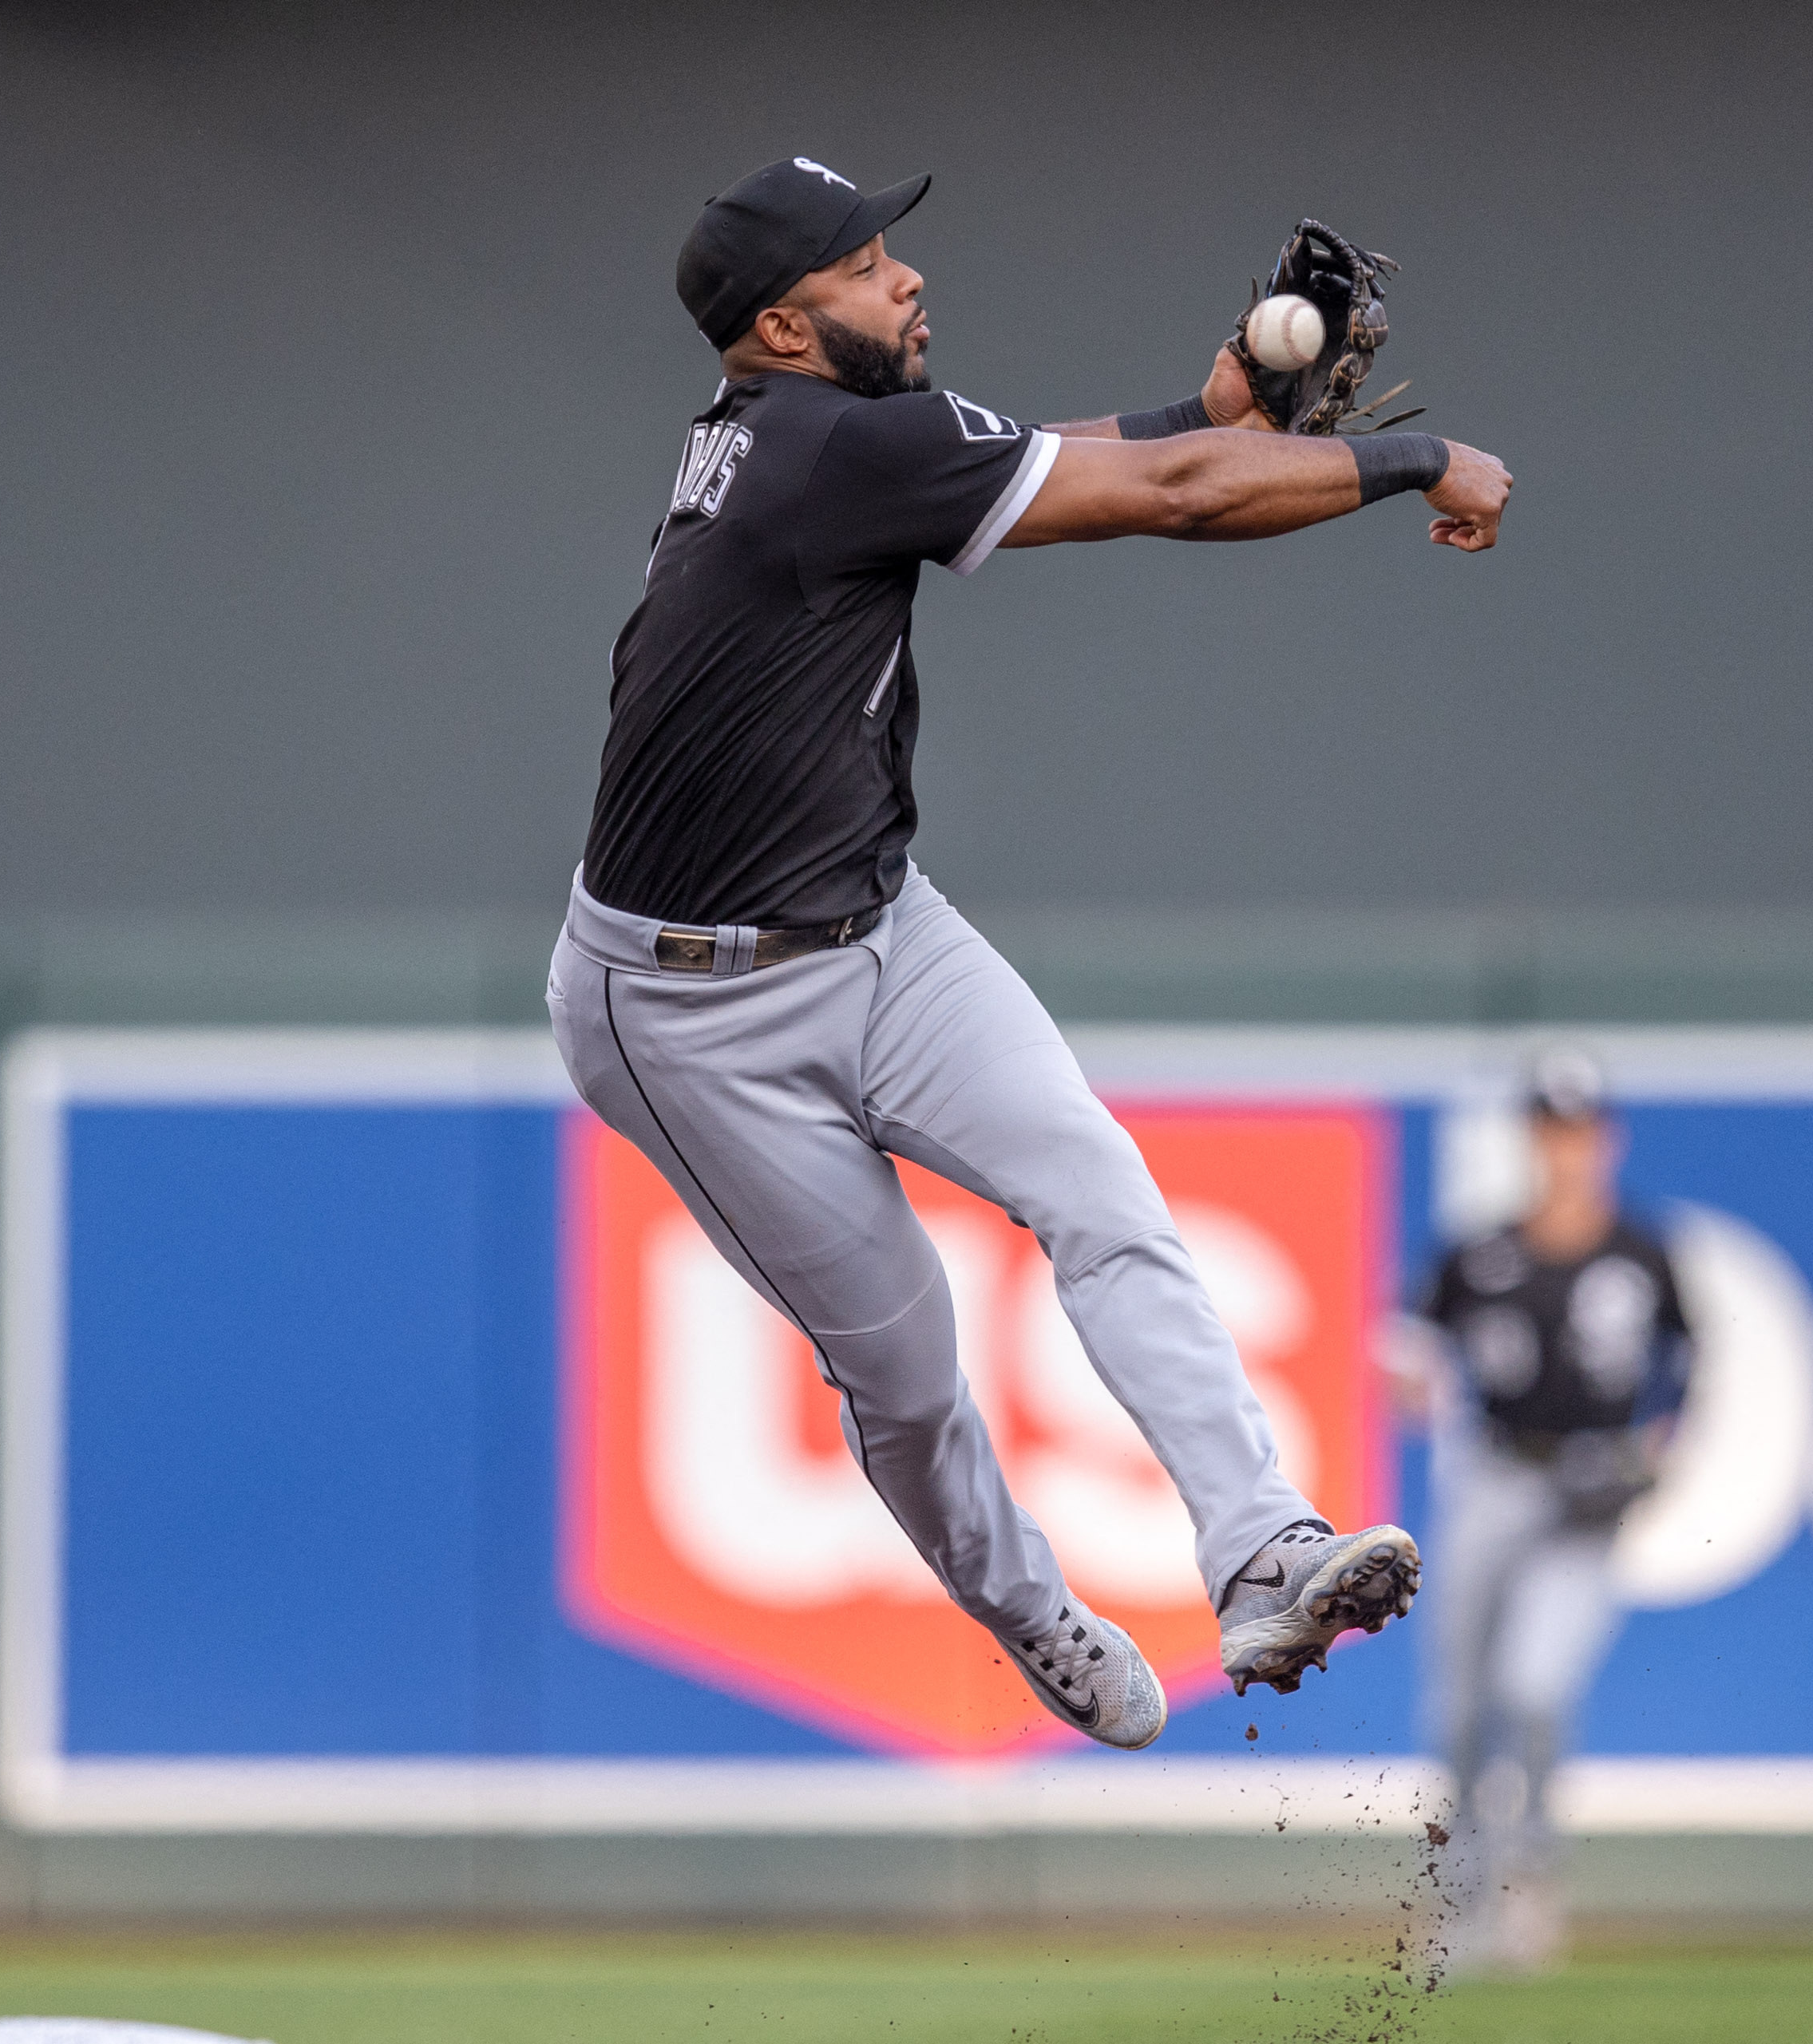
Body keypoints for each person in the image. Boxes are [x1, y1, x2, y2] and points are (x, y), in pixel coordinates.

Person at [548, 155, 1513, 1749]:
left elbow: (1091, 456)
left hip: (878, 921)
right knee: (910, 1366)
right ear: (787, 327)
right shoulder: (821, 450)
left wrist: (1215, 406)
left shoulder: (831, 439)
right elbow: (1183, 499)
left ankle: (1262, 1543)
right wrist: (1419, 460)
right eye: (865, 266)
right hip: (681, 1006)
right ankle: (1019, 1598)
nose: (906, 279)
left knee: (1101, 1185)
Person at [1405, 1049, 1692, 1972]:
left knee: (1532, 1687)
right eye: (1549, 1130)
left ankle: (1528, 1881)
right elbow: (1407, 1342)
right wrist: (1407, 1377)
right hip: (1492, 1477)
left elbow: (1690, 1361)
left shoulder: (1640, 1252)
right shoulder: (1478, 1251)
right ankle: (1455, 1894)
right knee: (1457, 1707)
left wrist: (1660, 1446)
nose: (1566, 1148)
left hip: (1587, 1490)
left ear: (1606, 1139)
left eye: (1579, 1130)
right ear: (1531, 1139)